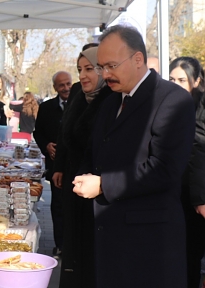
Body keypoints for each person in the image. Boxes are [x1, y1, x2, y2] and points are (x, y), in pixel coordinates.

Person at [72, 25, 195, 288]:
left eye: (112, 66)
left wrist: (104, 183)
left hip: (148, 244)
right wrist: (83, 175)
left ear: (138, 59)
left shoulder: (173, 100)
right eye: (102, 67)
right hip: (109, 238)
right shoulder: (111, 102)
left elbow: (164, 169)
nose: (106, 74)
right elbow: (95, 151)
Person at [51, 47, 113, 288]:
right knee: (74, 245)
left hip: (97, 189)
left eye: (89, 69)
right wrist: (59, 166)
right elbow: (65, 132)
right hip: (74, 180)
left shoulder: (111, 97)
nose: (83, 75)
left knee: (90, 251)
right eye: (80, 70)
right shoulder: (79, 94)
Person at [169, 56, 205, 288]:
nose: (175, 85)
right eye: (172, 79)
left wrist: (200, 198)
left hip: (194, 197)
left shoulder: (199, 108)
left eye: (182, 80)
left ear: (197, 81)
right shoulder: (172, 104)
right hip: (175, 191)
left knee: (190, 254)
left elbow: (198, 152)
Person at [32, 70, 71, 262]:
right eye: (61, 85)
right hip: (55, 166)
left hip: (75, 165)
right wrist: (46, 145)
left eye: (68, 84)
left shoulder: (79, 105)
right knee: (58, 207)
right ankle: (61, 245)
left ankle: (74, 245)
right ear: (55, 88)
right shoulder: (46, 108)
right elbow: (37, 133)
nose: (66, 88)